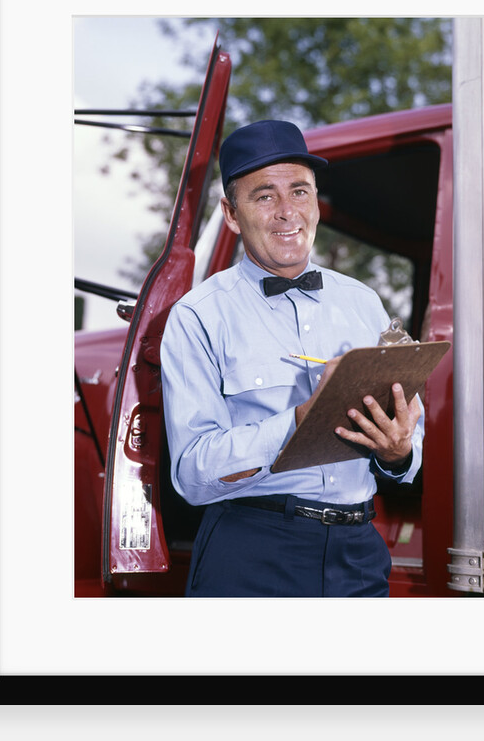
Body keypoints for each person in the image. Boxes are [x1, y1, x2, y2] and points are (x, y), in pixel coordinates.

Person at [159, 119, 424, 597]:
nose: (287, 211)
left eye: (300, 192)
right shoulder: (197, 316)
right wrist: (300, 422)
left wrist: (398, 451)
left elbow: (407, 444)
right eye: (264, 195)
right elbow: (193, 475)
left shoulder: (363, 302)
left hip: (359, 552)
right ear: (232, 214)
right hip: (252, 553)